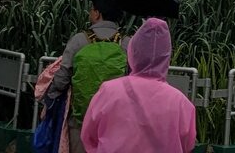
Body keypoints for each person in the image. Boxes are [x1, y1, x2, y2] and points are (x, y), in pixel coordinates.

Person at [80, 18, 195, 153]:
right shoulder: (181, 103)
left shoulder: (108, 91)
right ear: (166, 55)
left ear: (133, 50)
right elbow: (187, 145)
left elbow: (88, 136)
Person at [56, 0, 128, 149]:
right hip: (115, 123)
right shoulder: (126, 43)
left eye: (91, 9)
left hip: (81, 121)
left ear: (97, 13)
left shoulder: (79, 40)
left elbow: (61, 80)